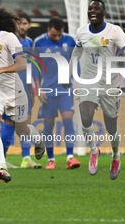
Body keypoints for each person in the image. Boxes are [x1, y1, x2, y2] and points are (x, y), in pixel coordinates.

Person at [70, 0, 125, 179]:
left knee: (111, 126)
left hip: (110, 84)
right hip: (88, 83)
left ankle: (116, 156)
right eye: (90, 8)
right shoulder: (82, 32)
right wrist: (68, 72)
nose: (92, 11)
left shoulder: (115, 31)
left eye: (96, 9)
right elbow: (76, 53)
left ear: (104, 13)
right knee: (85, 117)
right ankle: (94, 151)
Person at [0, 6, 44, 182]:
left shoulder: (8, 38)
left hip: (15, 92)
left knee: (22, 130)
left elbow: (22, 65)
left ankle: (39, 140)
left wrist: (1, 70)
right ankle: (2, 166)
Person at [33, 16, 81, 170]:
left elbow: (75, 63)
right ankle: (51, 159)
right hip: (48, 90)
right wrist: (39, 89)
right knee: (48, 126)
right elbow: (35, 68)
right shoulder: (39, 43)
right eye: (54, 35)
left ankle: (70, 157)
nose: (57, 38)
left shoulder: (70, 41)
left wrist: (78, 83)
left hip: (65, 89)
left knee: (68, 120)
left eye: (59, 35)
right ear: (48, 30)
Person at [0, 12, 41, 169]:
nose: (21, 26)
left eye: (24, 23)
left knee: (24, 123)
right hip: (10, 87)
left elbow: (31, 65)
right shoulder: (9, 40)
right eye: (19, 23)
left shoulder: (30, 42)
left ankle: (26, 158)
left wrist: (33, 87)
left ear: (28, 25)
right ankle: (1, 159)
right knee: (9, 123)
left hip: (26, 88)